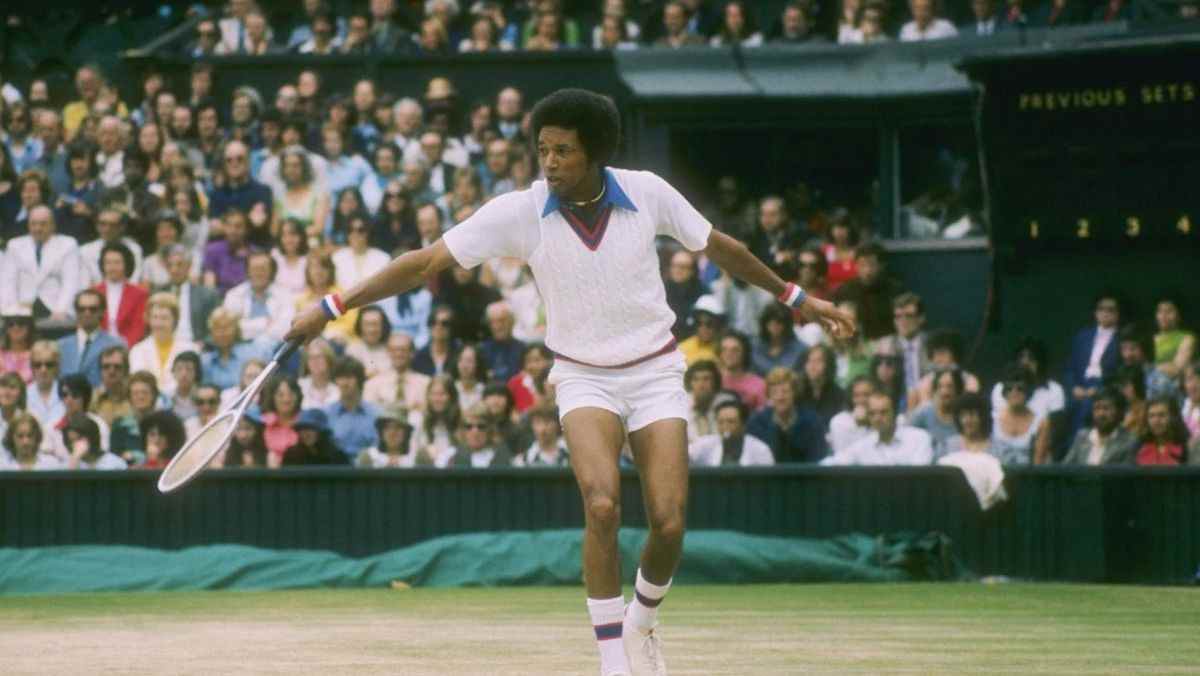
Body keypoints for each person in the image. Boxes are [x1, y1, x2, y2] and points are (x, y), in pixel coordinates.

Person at [284, 88, 852, 676]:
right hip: (582, 377)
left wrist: (797, 297)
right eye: (542, 150)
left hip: (656, 371)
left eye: (563, 151)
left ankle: (641, 626)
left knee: (670, 521)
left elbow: (721, 247)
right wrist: (331, 306)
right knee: (602, 505)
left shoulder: (649, 193)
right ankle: (612, 657)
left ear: (596, 153)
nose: (549, 162)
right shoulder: (518, 212)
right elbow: (425, 262)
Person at [0, 205, 80, 320]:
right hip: (22, 309)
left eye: (43, 224)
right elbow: (7, 282)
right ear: (28, 225)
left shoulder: (68, 244)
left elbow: (71, 282)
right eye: (33, 224)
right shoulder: (14, 245)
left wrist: (61, 310)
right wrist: (12, 310)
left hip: (56, 310)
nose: (38, 228)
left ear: (53, 225)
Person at [1064, 292, 1122, 437]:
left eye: (1111, 310)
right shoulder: (1083, 336)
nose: (1106, 313)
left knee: (1088, 408)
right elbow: (1070, 368)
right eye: (1101, 309)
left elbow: (1120, 372)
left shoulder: (1122, 338)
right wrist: (1073, 387)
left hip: (1104, 386)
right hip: (1080, 385)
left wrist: (1098, 389)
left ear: (1118, 314)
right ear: (1096, 312)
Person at [823, 391, 933, 466]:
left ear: (895, 414)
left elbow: (920, 477)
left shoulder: (919, 438)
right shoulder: (863, 445)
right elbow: (832, 463)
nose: (877, 418)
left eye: (883, 412)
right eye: (872, 413)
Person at [937, 393, 1007, 510]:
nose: (968, 420)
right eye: (963, 415)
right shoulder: (946, 447)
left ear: (983, 417)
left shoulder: (999, 449)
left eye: (973, 414)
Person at [746, 367, 827, 463]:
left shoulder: (813, 422)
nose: (780, 397)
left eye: (785, 391)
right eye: (774, 392)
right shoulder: (757, 423)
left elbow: (818, 459)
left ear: (794, 393)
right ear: (769, 396)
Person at [128, 293, 197, 396]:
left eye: (164, 318)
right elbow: (140, 382)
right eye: (155, 317)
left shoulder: (190, 349)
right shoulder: (137, 350)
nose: (159, 324)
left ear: (175, 320)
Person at [154, 244, 222, 345]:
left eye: (179, 264)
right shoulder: (157, 294)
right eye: (170, 265)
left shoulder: (207, 295)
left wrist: (204, 344)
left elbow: (217, 328)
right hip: (164, 347)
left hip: (196, 347)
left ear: (189, 265)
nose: (174, 270)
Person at [834, 243, 901, 342]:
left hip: (887, 344)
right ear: (856, 266)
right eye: (862, 265)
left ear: (882, 266)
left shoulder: (895, 290)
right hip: (854, 344)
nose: (867, 271)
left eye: (872, 265)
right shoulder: (845, 291)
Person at [1061, 387, 1138, 466]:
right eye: (1097, 408)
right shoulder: (1082, 437)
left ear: (1119, 412)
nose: (1101, 413)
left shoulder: (1129, 442)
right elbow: (1066, 469)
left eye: (1106, 408)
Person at [323, 357, 379, 461]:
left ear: (359, 380)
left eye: (349, 377)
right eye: (340, 377)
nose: (344, 383)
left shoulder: (375, 414)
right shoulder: (327, 413)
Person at [689, 399, 774, 467]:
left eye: (731, 422)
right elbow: (685, 457)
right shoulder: (705, 443)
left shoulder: (760, 449)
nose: (725, 426)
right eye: (720, 422)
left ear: (743, 424)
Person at [992, 366, 1048, 466]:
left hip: (1028, 477)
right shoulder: (992, 419)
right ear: (1004, 392)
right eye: (1009, 388)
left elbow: (1038, 463)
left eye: (1020, 388)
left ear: (1029, 391)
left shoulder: (1040, 423)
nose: (1014, 392)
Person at [95, 243, 148, 347]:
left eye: (117, 263)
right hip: (99, 347)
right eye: (108, 263)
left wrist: (124, 348)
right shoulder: (94, 293)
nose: (112, 267)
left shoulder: (140, 294)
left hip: (129, 348)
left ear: (127, 264)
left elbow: (138, 327)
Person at [909, 368, 963, 458]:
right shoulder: (923, 413)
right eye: (940, 386)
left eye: (949, 387)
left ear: (958, 390)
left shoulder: (963, 416)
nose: (944, 392)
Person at [796, 344, 846, 426]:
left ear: (828, 364)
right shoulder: (798, 391)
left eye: (818, 361)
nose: (812, 365)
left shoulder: (839, 395)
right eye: (809, 360)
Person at [751, 303, 805, 377]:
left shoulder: (800, 349)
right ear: (764, 323)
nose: (774, 324)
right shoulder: (754, 347)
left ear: (787, 324)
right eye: (769, 320)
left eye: (779, 321)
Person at [827, 376, 876, 455]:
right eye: (856, 395)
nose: (862, 400)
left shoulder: (882, 418)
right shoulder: (839, 421)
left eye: (866, 395)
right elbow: (844, 455)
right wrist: (861, 426)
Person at [716, 332, 765, 411]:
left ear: (744, 353)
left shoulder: (759, 385)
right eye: (724, 349)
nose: (729, 354)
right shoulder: (711, 380)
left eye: (735, 350)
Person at [261, 375, 303, 467]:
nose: (286, 400)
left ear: (298, 396)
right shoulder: (262, 423)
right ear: (272, 397)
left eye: (291, 394)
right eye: (280, 395)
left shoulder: (305, 423)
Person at [282, 409, 349, 465]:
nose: (305, 433)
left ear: (322, 431)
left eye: (310, 428)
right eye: (301, 429)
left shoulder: (337, 456)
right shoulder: (292, 455)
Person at [1137, 397, 1190, 466]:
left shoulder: (1186, 448)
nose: (1156, 421)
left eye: (1162, 415)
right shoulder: (1138, 447)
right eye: (1151, 416)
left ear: (1172, 417)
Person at [1, 307, 36, 383]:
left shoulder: (37, 354)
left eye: (21, 323)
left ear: (30, 327)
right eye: (11, 324)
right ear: (6, 328)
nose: (16, 327)